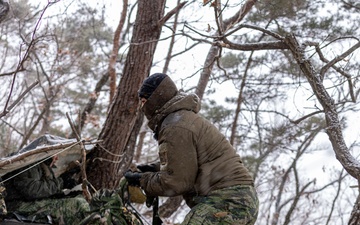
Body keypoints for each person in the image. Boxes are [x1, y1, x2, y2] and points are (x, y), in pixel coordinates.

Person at [125, 73, 259, 224]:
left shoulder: (175, 126)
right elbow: (186, 163)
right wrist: (155, 168)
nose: (143, 107)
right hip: (238, 199)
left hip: (228, 200)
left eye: (144, 101)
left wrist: (142, 180)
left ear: (156, 99)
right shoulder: (181, 119)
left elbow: (176, 182)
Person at [2, 155, 89, 224]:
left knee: (79, 199)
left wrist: (66, 193)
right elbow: (32, 191)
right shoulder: (29, 164)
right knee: (78, 203)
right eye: (55, 154)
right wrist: (61, 182)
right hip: (17, 206)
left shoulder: (44, 167)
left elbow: (46, 190)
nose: (57, 158)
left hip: (31, 203)